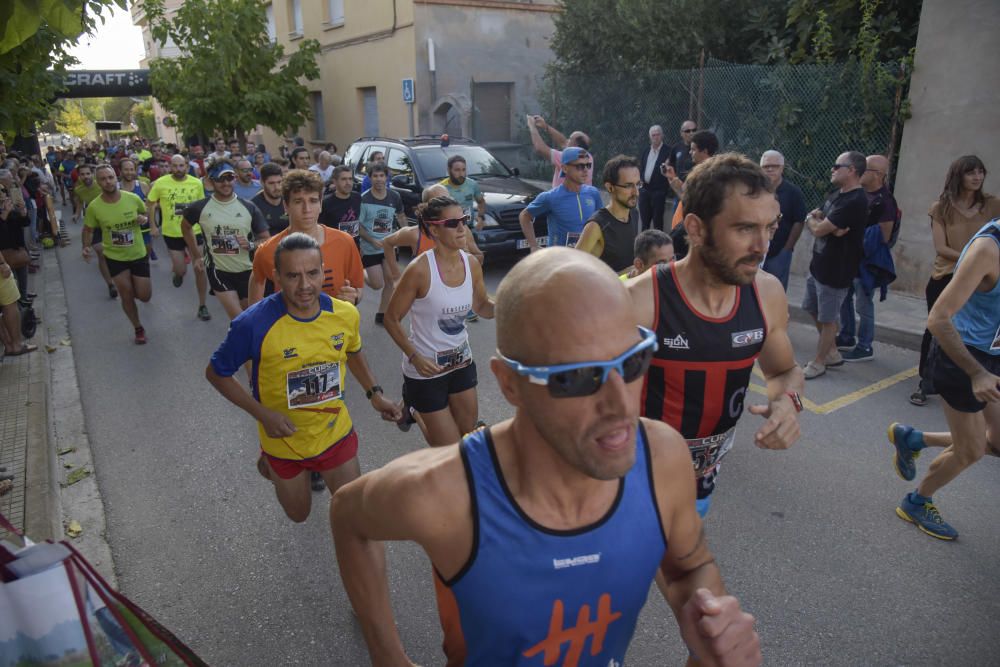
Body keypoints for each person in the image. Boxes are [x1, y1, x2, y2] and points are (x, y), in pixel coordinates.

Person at [331, 247, 762, 667]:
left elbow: (689, 568)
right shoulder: (444, 493)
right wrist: (386, 654)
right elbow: (347, 516)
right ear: (510, 384)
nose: (621, 406)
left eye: (633, 362)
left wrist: (711, 632)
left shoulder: (661, 456)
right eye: (576, 377)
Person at [627, 153, 803, 518]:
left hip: (702, 483)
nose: (762, 246)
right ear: (695, 228)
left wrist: (787, 403)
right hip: (632, 484)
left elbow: (783, 371)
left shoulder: (766, 294)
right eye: (744, 229)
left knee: (681, 563)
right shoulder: (642, 301)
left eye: (770, 228)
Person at [206, 233, 401, 523]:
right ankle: (269, 463)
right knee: (299, 514)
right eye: (293, 276)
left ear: (323, 270)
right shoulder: (252, 324)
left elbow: (353, 351)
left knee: (357, 515)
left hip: (334, 431)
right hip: (283, 440)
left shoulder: (344, 314)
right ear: (276, 277)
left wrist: (375, 394)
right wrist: (262, 415)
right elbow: (216, 373)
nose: (305, 285)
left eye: (312, 273)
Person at [887, 219, 1000, 541]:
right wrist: (976, 373)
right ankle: (917, 501)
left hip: (993, 357)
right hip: (963, 358)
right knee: (971, 450)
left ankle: (914, 439)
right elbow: (938, 318)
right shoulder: (988, 250)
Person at [384, 196, 494, 447]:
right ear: (434, 229)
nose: (461, 228)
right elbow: (391, 319)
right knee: (448, 448)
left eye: (464, 220)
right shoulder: (420, 270)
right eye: (452, 222)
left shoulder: (472, 264)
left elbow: (482, 307)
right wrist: (414, 357)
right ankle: (414, 410)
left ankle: (415, 407)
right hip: (425, 369)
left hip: (461, 361)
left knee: (467, 432)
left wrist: (513, 302)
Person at [909, 155, 1000, 406]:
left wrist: (982, 269)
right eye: (971, 172)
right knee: (936, 328)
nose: (977, 177)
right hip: (946, 274)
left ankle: (976, 380)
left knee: (979, 329)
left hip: (984, 281)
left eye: (981, 172)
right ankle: (925, 382)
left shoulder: (993, 205)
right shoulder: (941, 207)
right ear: (958, 176)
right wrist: (975, 263)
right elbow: (941, 247)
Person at [250, 170, 363, 308]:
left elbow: (358, 287)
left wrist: (354, 297)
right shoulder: (268, 250)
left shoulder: (344, 242)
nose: (307, 209)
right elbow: (255, 293)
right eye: (298, 201)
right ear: (286, 206)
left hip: (335, 327)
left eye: (313, 201)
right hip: (290, 328)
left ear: (321, 204)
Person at [800, 151, 869, 379]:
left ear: (851, 170)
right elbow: (819, 217)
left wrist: (816, 221)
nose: (832, 169)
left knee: (828, 319)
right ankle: (831, 351)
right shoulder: (837, 194)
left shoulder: (856, 201)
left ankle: (819, 362)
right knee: (811, 307)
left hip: (836, 270)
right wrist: (822, 221)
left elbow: (818, 227)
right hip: (819, 265)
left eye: (837, 165)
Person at [182, 164, 270, 320]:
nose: (226, 183)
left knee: (251, 317)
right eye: (220, 179)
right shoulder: (200, 207)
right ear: (210, 182)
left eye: (229, 178)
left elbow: (266, 238)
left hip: (247, 271)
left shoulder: (248, 207)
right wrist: (196, 255)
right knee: (238, 319)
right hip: (218, 271)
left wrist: (250, 245)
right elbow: (186, 227)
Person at [837, 154, 899, 362]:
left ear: (879, 175)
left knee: (863, 305)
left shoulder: (886, 202)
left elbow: (884, 237)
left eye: (867, 169)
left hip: (865, 263)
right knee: (844, 298)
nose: (861, 171)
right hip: (848, 258)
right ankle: (846, 336)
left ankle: (865, 346)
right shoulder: (856, 193)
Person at [82, 165, 153, 344]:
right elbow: (88, 229)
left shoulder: (132, 198)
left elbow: (144, 212)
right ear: (99, 182)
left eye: (111, 177)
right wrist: (86, 246)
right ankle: (138, 327)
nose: (108, 181)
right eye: (103, 179)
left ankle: (136, 291)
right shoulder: (94, 207)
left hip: (137, 253)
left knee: (144, 296)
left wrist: (143, 219)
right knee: (125, 293)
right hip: (115, 256)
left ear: (116, 177)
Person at [146, 154, 211, 321]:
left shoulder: (196, 183)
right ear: (169, 166)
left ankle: (202, 305)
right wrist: (153, 225)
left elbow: (202, 207)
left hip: (194, 231)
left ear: (187, 165)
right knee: (181, 268)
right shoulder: (161, 183)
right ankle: (178, 274)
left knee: (200, 268)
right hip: (172, 232)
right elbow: (151, 202)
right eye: (174, 166)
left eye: (181, 166)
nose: (178, 169)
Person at [518, 147, 603, 252]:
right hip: (559, 260)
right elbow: (524, 216)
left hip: (587, 258)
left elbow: (602, 222)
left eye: (588, 165)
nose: (586, 170)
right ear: (565, 168)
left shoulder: (593, 193)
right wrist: (533, 245)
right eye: (580, 166)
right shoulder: (550, 197)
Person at [358, 163, 406, 325]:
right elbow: (359, 226)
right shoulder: (364, 199)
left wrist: (405, 235)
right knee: (377, 284)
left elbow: (400, 216)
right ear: (370, 178)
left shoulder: (394, 197)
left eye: (382, 176)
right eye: (375, 176)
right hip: (370, 247)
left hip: (389, 245)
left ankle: (382, 314)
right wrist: (372, 240)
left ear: (387, 178)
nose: (379, 179)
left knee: (390, 281)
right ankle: (362, 273)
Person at [576, 154, 641, 273]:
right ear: (610, 187)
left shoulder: (634, 214)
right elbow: (573, 271)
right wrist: (622, 275)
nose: (636, 192)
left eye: (638, 184)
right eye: (628, 186)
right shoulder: (596, 226)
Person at [665, 130, 720, 257]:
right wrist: (676, 185)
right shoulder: (699, 171)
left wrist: (680, 189)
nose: (690, 152)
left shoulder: (711, 175)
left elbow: (697, 206)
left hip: (690, 232)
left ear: (705, 151)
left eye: (693, 149)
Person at [759, 150, 807, 290]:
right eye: (766, 166)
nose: (770, 169)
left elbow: (799, 220)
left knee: (775, 290)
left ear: (782, 168)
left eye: (774, 166)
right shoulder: (755, 190)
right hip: (756, 248)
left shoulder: (793, 193)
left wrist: (787, 248)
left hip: (779, 251)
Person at [72, 164, 117, 299]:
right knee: (101, 254)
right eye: (82, 174)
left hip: (111, 223)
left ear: (93, 175)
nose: (85, 177)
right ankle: (110, 285)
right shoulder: (79, 189)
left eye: (88, 174)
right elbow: (80, 203)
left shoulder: (103, 184)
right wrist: (76, 213)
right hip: (94, 225)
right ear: (79, 177)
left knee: (115, 252)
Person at [0, 189, 36, 356]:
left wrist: (21, 212)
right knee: (9, 304)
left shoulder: (10, 209)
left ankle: (10, 344)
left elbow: (25, 222)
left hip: (16, 252)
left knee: (19, 290)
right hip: (5, 260)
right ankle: (13, 344)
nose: (3, 196)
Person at [526, 114, 593, 188]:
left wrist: (532, 126)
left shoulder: (565, 158)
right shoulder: (589, 158)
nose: (567, 140)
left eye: (570, 139)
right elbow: (563, 142)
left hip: (565, 198)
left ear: (575, 145)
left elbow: (540, 148)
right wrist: (546, 126)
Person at [118, 158, 155, 260]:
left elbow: (151, 206)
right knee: (126, 259)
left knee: (144, 258)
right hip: (123, 230)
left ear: (135, 170)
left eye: (131, 169)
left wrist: (151, 224)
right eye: (126, 169)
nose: (129, 172)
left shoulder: (143, 186)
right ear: (120, 171)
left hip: (143, 229)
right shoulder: (115, 188)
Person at [638, 124, 672, 231]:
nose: (656, 137)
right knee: (644, 223)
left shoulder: (668, 151)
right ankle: (643, 245)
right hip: (645, 191)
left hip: (659, 192)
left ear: (662, 136)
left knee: (658, 223)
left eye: (658, 134)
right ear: (650, 137)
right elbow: (642, 168)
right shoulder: (645, 151)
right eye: (653, 135)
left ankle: (658, 246)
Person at [438, 155, 486, 229]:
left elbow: (481, 202)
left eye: (463, 170)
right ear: (449, 170)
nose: (461, 174)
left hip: (469, 227)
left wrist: (481, 217)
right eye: (457, 170)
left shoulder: (472, 184)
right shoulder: (441, 187)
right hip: (450, 229)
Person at [318, 165, 362, 242]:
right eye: (343, 179)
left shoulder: (357, 197)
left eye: (350, 179)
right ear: (335, 181)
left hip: (355, 247)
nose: (348, 183)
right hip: (335, 247)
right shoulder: (325, 203)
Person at [251, 162, 288, 236]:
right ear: (262, 182)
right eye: (271, 183)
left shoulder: (290, 199)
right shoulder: (253, 206)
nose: (277, 187)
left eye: (279, 182)